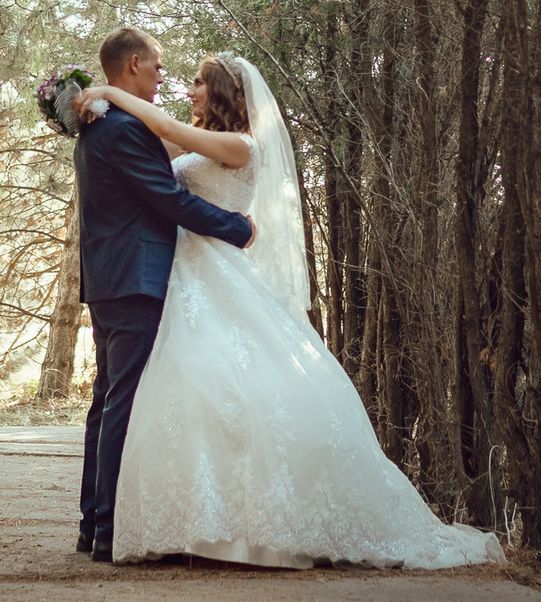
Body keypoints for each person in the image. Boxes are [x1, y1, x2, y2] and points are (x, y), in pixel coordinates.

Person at [77, 54, 503, 569]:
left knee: (221, 384)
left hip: (216, 267)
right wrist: (90, 114)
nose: (188, 89)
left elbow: (163, 129)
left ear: (222, 91)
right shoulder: (197, 140)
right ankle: (176, 521)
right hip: (181, 272)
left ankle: (232, 523)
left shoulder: (240, 145)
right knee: (179, 389)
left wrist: (107, 93)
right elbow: (148, 147)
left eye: (198, 82)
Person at [73, 27, 255, 563]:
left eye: (194, 80)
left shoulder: (101, 125)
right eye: (157, 66)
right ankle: (109, 529)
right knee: (122, 401)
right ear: (133, 64)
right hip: (136, 277)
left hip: (113, 278)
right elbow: (170, 199)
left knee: (107, 401)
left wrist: (105, 95)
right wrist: (239, 229)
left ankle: (93, 523)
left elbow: (172, 147)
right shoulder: (123, 128)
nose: (165, 77)